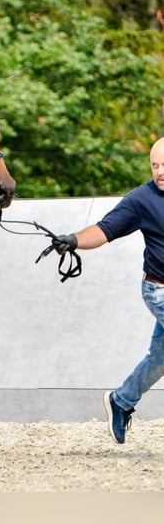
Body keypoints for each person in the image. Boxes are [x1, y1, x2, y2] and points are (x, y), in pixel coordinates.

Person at [51, 136, 164, 444]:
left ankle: (121, 401)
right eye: (155, 165)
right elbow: (104, 229)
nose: (160, 171)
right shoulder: (142, 199)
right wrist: (73, 239)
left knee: (160, 358)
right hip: (159, 290)